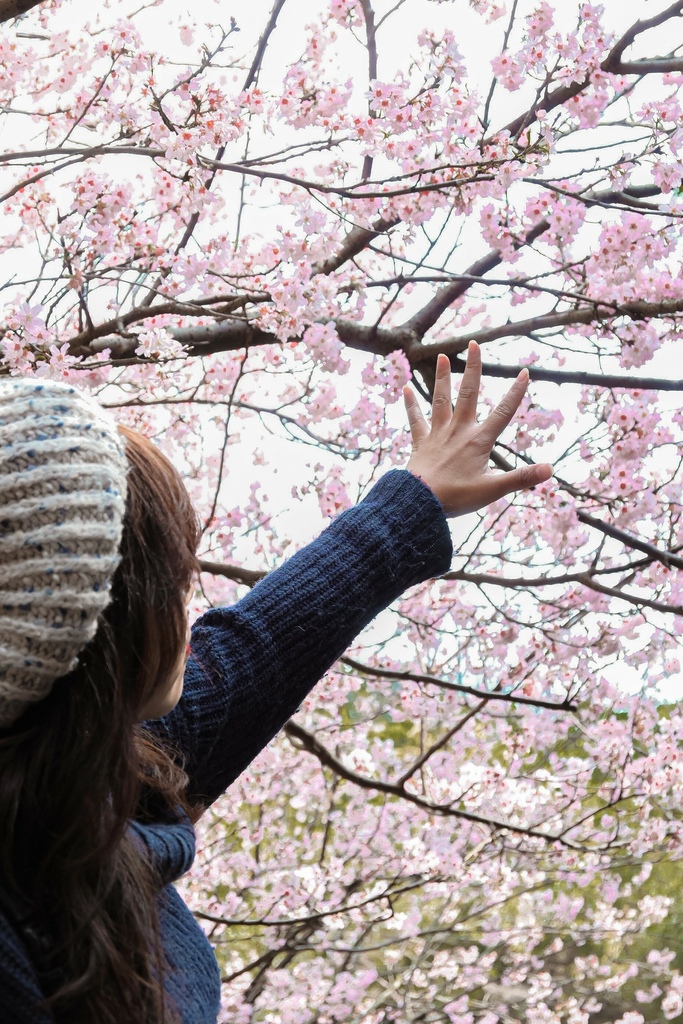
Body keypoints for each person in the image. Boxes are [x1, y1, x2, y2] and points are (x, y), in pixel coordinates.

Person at [0, 342, 551, 1023]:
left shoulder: (68, 771)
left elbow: (246, 657)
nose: (192, 607)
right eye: (174, 583)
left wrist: (414, 501)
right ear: (87, 630)